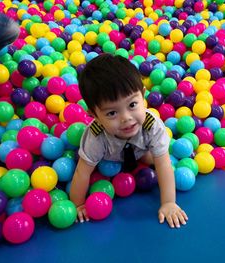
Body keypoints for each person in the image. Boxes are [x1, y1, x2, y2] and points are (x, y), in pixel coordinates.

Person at [70, 54, 188, 228]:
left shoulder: (152, 126)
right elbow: (82, 172)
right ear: (94, 115)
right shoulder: (96, 136)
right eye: (111, 113)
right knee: (92, 165)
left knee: (152, 159)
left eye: (132, 105)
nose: (126, 118)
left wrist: (168, 202)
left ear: (143, 95)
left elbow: (163, 164)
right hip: (108, 159)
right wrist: (78, 204)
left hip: (140, 151)